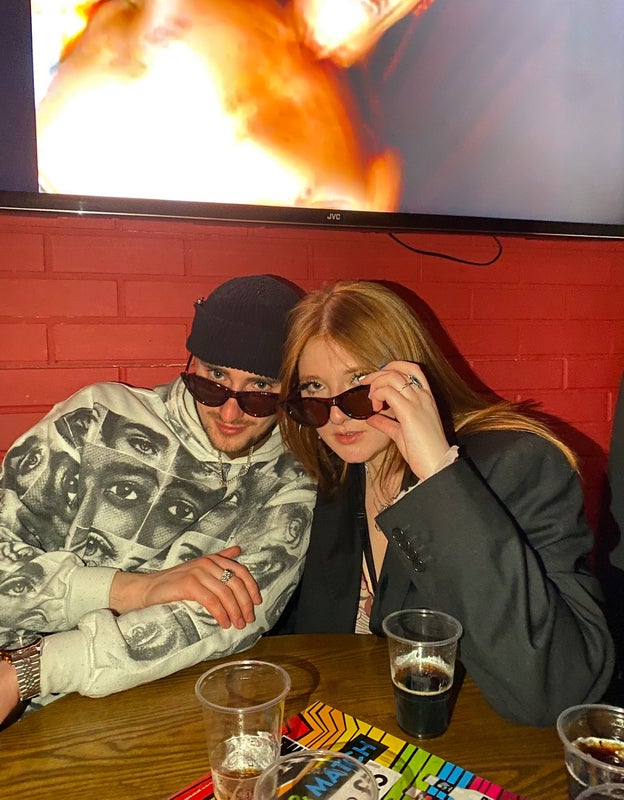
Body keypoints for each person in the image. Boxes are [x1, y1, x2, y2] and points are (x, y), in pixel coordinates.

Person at [275, 279, 614, 726]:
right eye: (315, 389)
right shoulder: (337, 473)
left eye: (359, 384)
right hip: (357, 726)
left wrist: (439, 474)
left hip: (486, 737)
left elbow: (554, 689)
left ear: (410, 377)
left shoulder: (516, 464)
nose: (335, 416)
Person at [0, 274, 316, 728]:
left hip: (109, 709)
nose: (230, 413)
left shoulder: (290, 480)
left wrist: (35, 670)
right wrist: (132, 590)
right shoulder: (97, 418)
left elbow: (232, 620)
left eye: (261, 390)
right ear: (192, 362)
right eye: (214, 378)